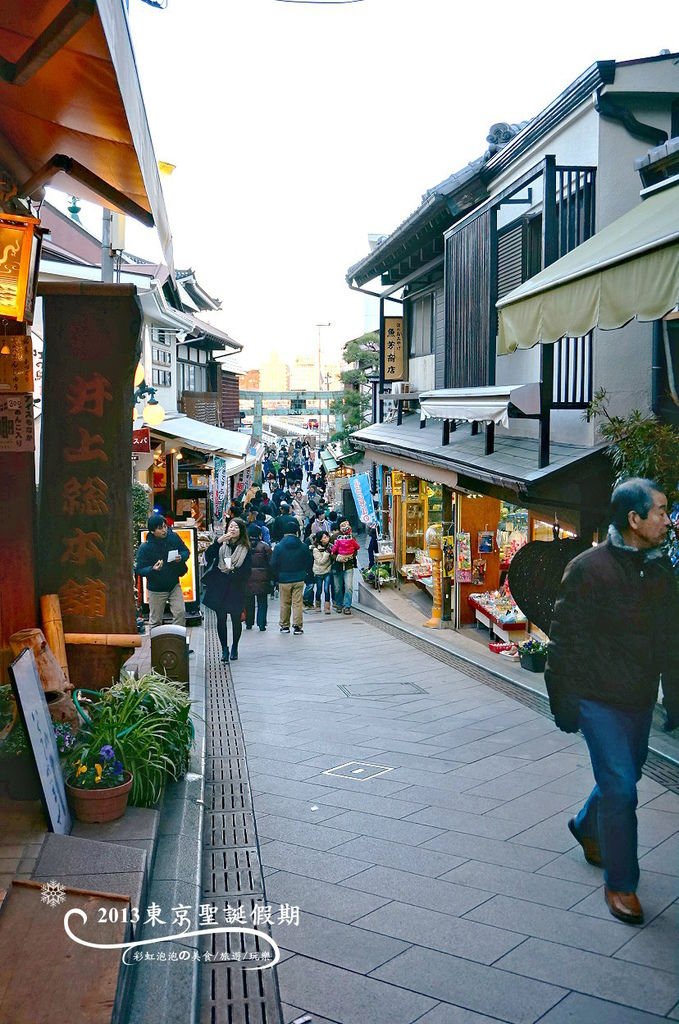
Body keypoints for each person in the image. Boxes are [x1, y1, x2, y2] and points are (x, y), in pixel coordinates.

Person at [545, 478, 679, 926]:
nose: (667, 519)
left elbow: (672, 642)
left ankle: (586, 825)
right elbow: (566, 639)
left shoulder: (661, 571)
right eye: (660, 511)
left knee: (626, 773)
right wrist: (564, 701)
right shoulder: (589, 568)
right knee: (622, 786)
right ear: (634, 519)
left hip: (639, 697)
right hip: (596, 698)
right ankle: (622, 884)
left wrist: (673, 697)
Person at [201, 518, 252, 662]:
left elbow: (247, 571)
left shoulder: (245, 548)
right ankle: (224, 648)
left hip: (236, 587)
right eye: (231, 527)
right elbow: (208, 557)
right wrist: (217, 542)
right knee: (221, 618)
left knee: (236, 619)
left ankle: (235, 646)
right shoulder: (222, 545)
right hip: (220, 586)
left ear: (241, 531)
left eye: (236, 527)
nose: (233, 529)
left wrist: (235, 572)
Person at [135, 514, 190, 629]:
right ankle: (157, 646)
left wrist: (181, 557)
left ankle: (177, 643)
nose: (164, 530)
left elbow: (186, 551)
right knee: (155, 620)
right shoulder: (145, 547)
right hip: (156, 588)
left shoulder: (173, 537)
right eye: (160, 528)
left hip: (174, 584)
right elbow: (139, 569)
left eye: (165, 527)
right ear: (152, 531)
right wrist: (152, 569)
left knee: (180, 613)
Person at [270, 521, 313, 635]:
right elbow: (309, 561)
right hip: (299, 578)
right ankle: (297, 626)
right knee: (297, 603)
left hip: (283, 579)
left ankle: (284, 626)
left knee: (285, 603)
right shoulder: (303, 546)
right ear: (297, 532)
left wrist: (276, 577)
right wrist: (305, 573)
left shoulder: (279, 547)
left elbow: (273, 563)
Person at [244, 524, 272, 631]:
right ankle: (261, 624)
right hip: (263, 579)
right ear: (260, 534)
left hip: (247, 579)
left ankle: (249, 623)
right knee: (262, 602)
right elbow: (270, 563)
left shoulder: (243, 547)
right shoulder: (265, 546)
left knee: (248, 601)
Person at [331, 519, 361, 615]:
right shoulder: (334, 537)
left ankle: (347, 606)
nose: (346, 527)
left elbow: (356, 549)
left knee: (349, 587)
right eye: (344, 525)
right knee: (337, 587)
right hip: (337, 566)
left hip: (348, 565)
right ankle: (339, 605)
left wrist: (351, 556)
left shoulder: (352, 537)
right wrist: (337, 558)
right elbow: (330, 552)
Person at [310, 531, 333, 613]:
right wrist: (327, 553)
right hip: (319, 572)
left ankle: (327, 607)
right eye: (324, 537)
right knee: (319, 589)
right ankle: (318, 605)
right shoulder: (316, 549)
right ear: (320, 539)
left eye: (327, 537)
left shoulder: (330, 546)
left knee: (327, 589)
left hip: (327, 571)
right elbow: (320, 561)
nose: (327, 539)